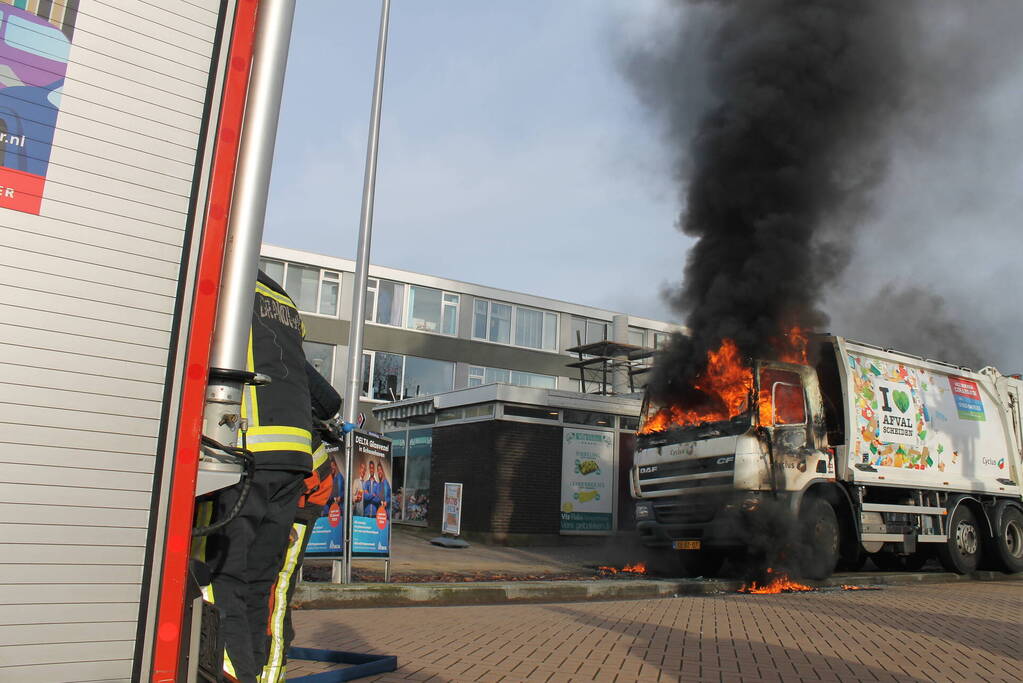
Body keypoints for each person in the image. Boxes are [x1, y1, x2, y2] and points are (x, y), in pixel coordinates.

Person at [198, 270, 316, 683]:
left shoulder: (224, 278)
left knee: (223, 579)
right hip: (293, 457)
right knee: (262, 584)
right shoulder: (282, 299)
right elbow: (323, 393)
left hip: (245, 454)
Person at [260, 365, 344, 682]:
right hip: (287, 477)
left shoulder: (274, 340)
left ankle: (269, 674)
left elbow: (328, 402)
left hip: (302, 484)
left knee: (274, 586)